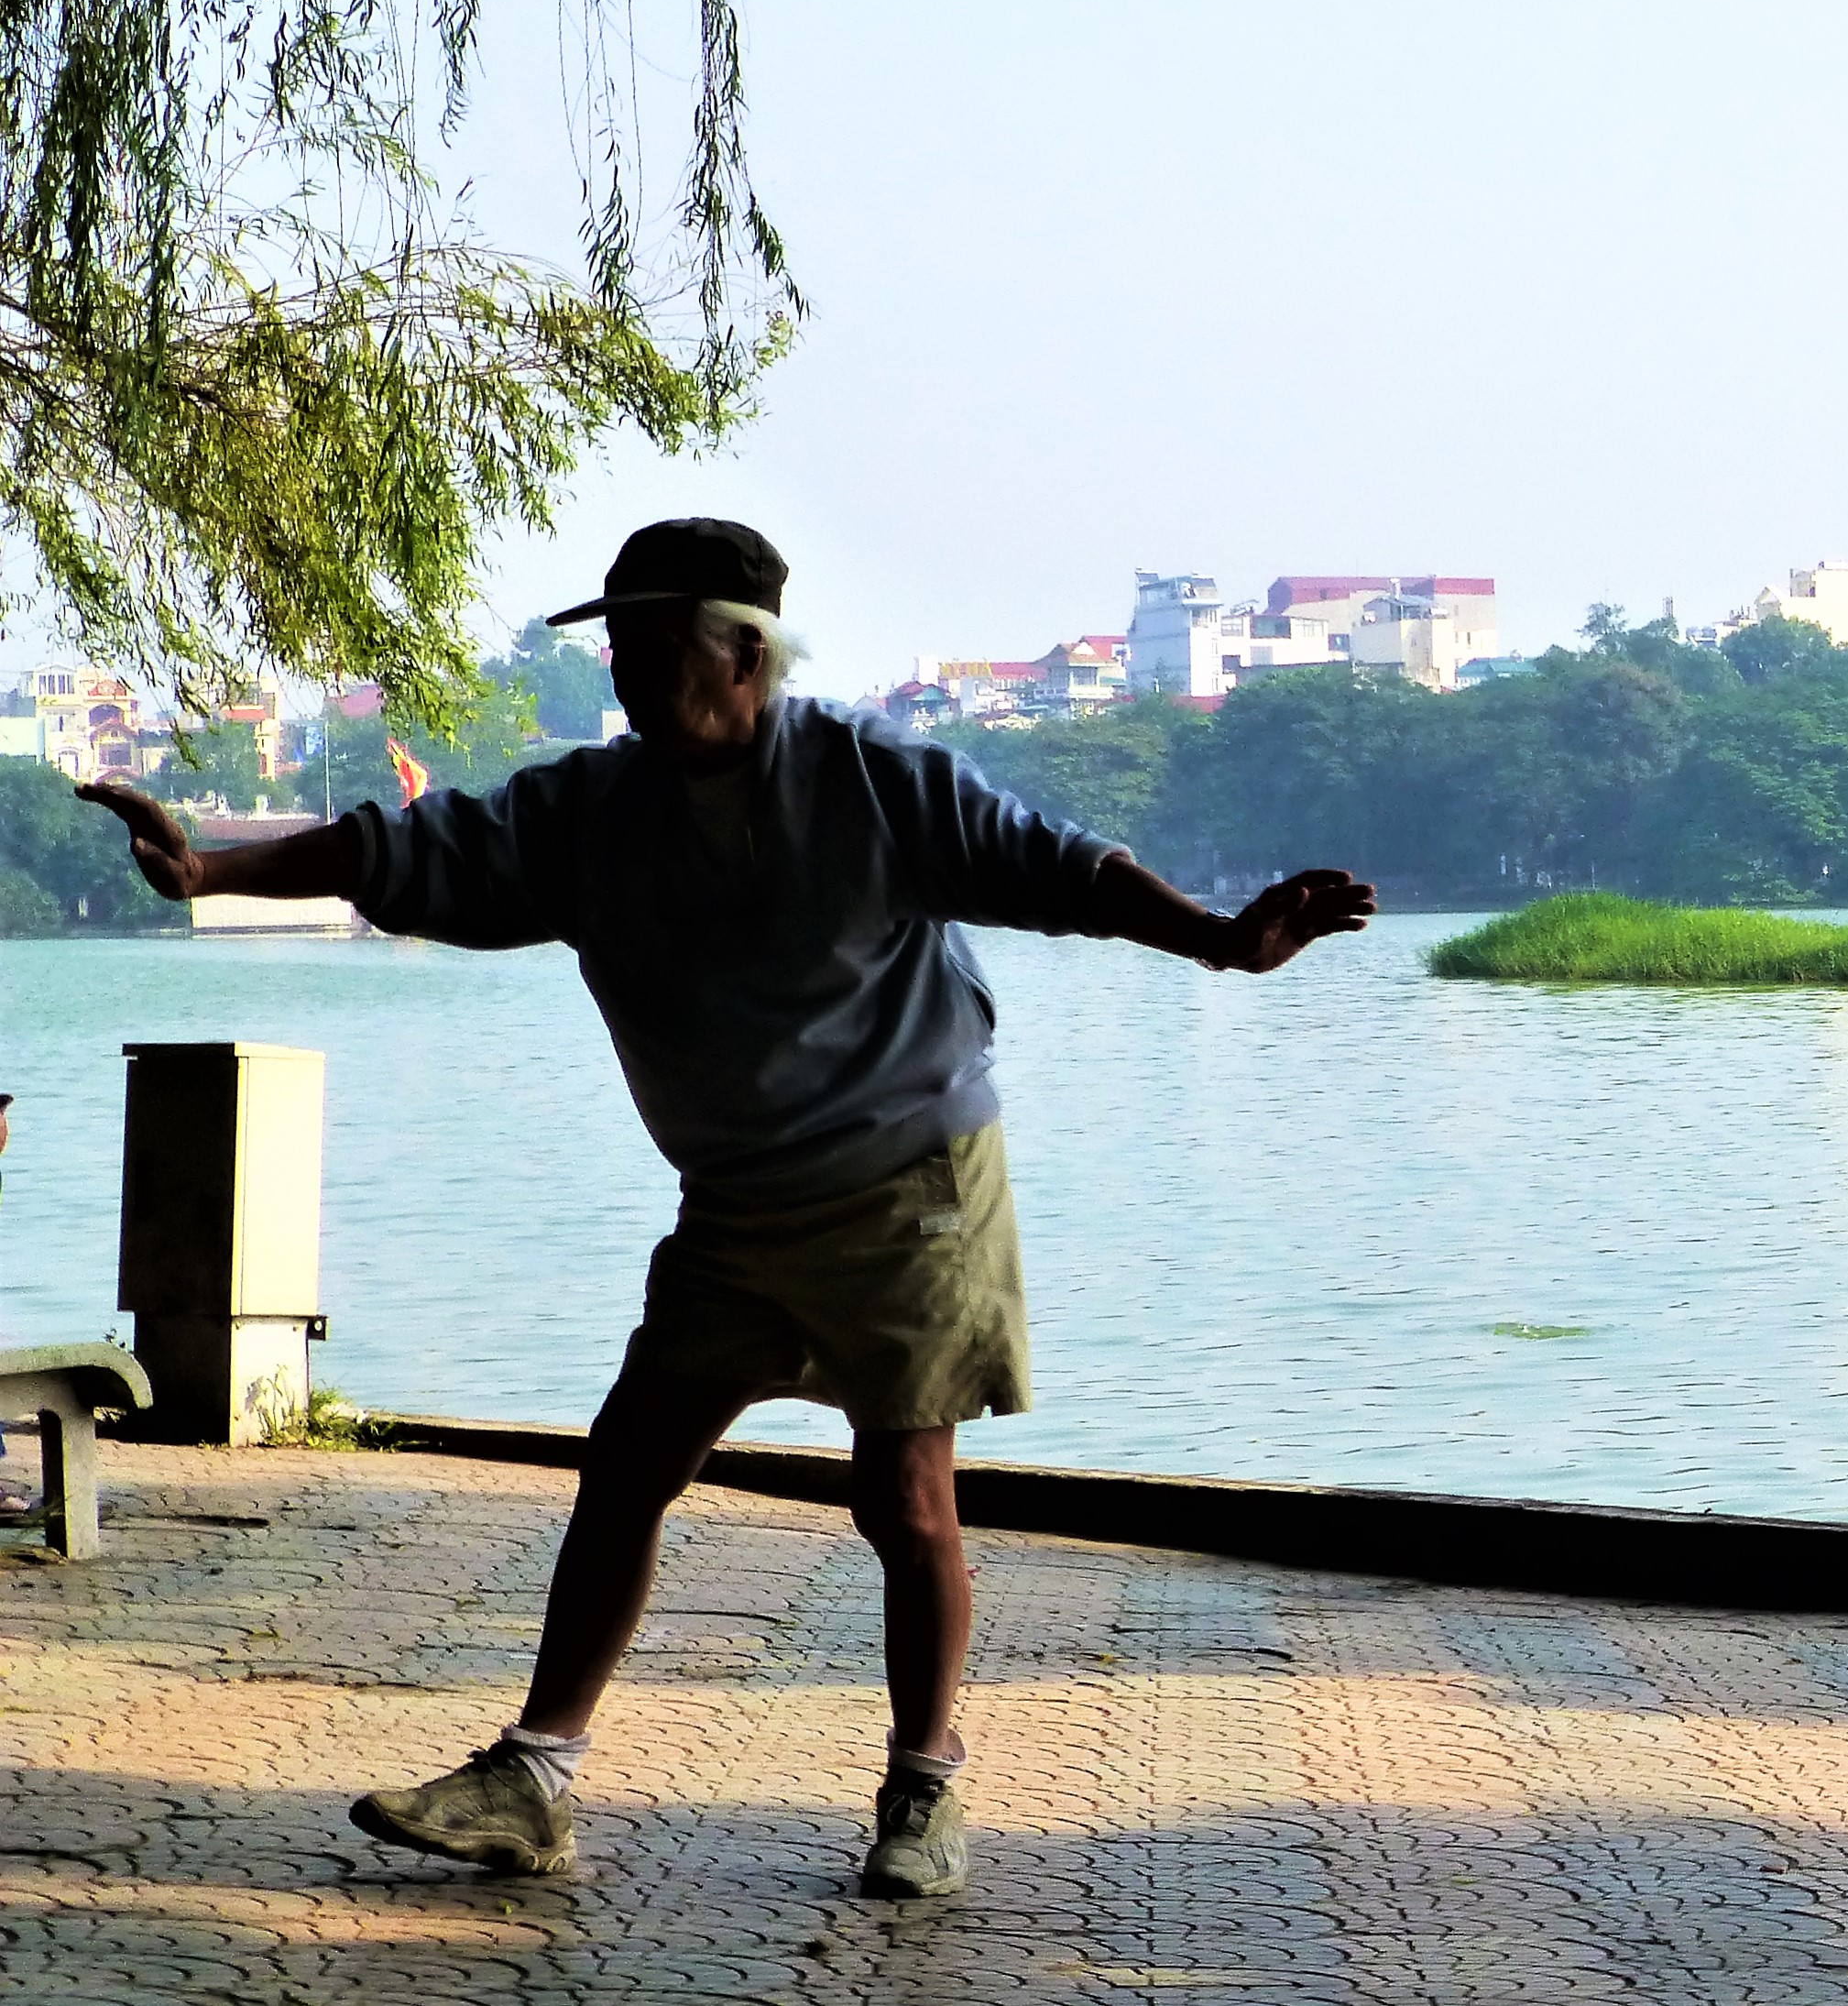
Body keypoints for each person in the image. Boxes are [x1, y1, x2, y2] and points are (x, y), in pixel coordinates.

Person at [80, 519, 1374, 1898]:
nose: (629, 676)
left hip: (909, 1188)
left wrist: (1224, 938)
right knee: (630, 1464)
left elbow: (1063, 866)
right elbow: (399, 851)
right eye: (620, 650)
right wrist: (214, 868)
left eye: (651, 648)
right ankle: (535, 1777)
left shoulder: (877, 784)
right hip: (737, 1206)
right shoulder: (590, 812)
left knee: (906, 1496)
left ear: (742, 654)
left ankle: (923, 1789)